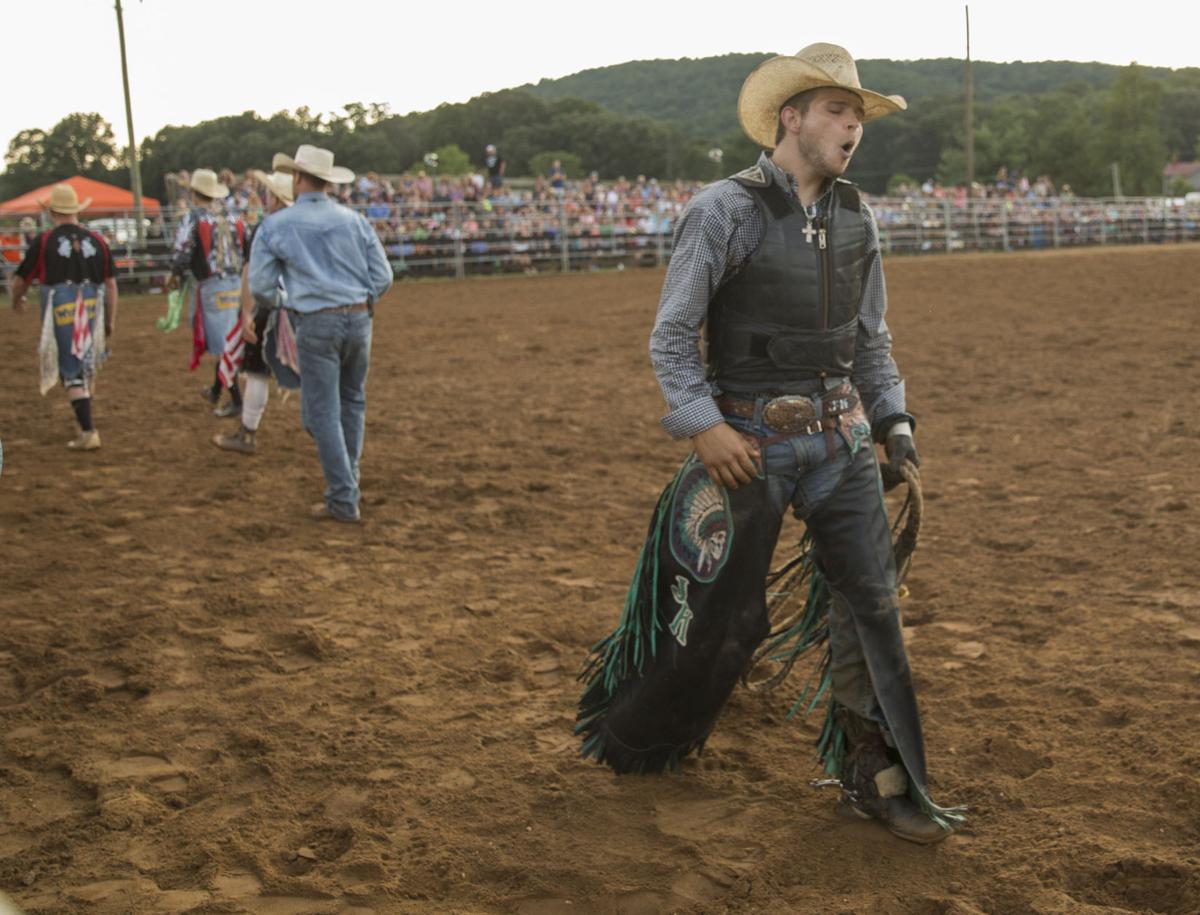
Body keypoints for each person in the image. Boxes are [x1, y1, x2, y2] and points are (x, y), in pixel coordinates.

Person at [576, 43, 962, 844]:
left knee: (873, 606)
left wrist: (895, 423)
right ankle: (640, 739)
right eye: (835, 112)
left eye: (858, 117)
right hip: (746, 443)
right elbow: (673, 337)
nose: (852, 127)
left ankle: (879, 776)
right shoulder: (725, 210)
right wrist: (704, 426)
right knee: (725, 618)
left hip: (844, 441)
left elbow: (871, 340)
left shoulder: (859, 215)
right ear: (791, 117)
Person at [249, 145, 392, 522]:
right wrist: (359, 299)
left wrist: (290, 300)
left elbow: (262, 288)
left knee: (323, 412)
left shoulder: (276, 226)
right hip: (359, 318)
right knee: (352, 401)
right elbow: (384, 277)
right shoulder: (355, 221)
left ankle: (344, 497)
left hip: (315, 321)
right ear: (328, 181)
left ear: (297, 178)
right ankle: (348, 484)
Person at [9, 184, 117, 450]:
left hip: (61, 303)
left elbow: (21, 279)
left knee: (69, 366)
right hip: (92, 302)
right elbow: (111, 283)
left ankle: (88, 430)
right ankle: (84, 421)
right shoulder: (98, 240)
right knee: (86, 360)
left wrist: (17, 299)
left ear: (53, 212)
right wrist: (109, 320)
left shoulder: (45, 240)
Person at [213, 166, 301, 454]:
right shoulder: (305, 227)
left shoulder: (265, 230)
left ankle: (248, 433)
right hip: (304, 305)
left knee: (257, 373)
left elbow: (251, 274)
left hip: (269, 305)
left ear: (275, 199)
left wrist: (246, 314)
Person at [166, 168, 249, 418]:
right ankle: (215, 390)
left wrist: (175, 276)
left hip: (212, 285)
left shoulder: (193, 218)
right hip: (236, 284)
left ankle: (236, 400)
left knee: (221, 343)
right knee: (227, 337)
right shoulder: (234, 217)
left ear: (194, 193)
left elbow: (183, 252)